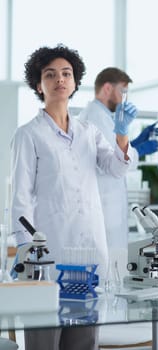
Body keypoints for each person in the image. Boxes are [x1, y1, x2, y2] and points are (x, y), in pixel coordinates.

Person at [10, 45, 137, 350]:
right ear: (38, 85)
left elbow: (117, 168)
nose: (60, 80)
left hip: (89, 255)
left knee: (84, 342)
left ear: (75, 81)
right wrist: (27, 249)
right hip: (48, 257)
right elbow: (19, 198)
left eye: (66, 73)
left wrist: (121, 135)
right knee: (45, 342)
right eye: (50, 74)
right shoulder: (29, 134)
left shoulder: (89, 131)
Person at [78, 67, 158, 279]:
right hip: (104, 207)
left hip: (110, 206)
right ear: (107, 88)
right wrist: (139, 150)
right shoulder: (94, 117)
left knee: (114, 271)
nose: (125, 98)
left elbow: (116, 149)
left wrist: (138, 141)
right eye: (122, 91)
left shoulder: (103, 116)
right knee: (108, 276)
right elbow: (115, 163)